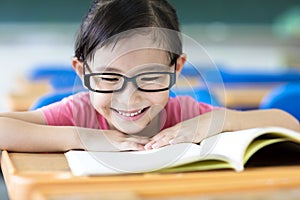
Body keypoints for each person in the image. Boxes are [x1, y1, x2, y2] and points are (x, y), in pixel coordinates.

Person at [0, 0, 299, 153]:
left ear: (176, 69)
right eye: (108, 78)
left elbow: (289, 125)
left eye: (150, 77)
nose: (129, 98)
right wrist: (84, 137)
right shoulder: (78, 113)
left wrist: (216, 122)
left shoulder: (185, 115)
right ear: (83, 71)